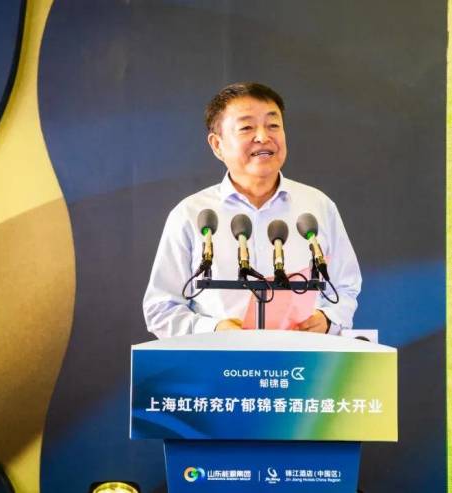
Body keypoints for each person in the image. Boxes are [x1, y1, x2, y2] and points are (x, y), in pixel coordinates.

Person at [143, 82, 361, 338]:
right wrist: (214, 330)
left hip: (301, 358)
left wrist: (327, 319)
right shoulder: (192, 214)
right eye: (246, 127)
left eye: (273, 125)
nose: (263, 137)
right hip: (219, 358)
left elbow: (346, 287)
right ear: (217, 145)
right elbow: (161, 309)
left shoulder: (317, 207)